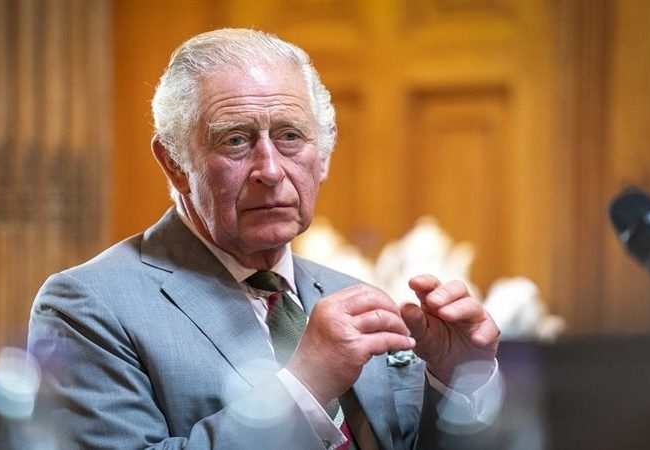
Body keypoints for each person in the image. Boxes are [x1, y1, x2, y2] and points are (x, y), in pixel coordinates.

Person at [28, 28, 502, 450]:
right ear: (174, 162)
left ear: (323, 157)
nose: (270, 170)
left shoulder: (352, 295)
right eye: (235, 139)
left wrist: (456, 382)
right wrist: (304, 386)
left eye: (290, 136)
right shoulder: (87, 307)